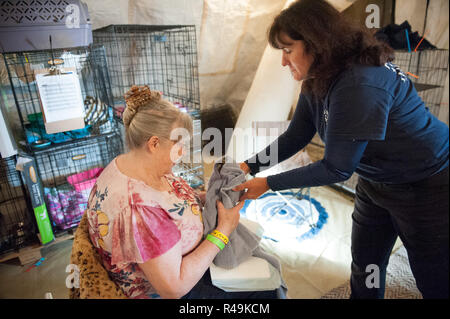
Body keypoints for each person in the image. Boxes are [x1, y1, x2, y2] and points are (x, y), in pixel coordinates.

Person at [234, 0, 449, 299]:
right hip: (377, 179)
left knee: (433, 272)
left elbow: (337, 167)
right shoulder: (318, 76)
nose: (283, 62)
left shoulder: (359, 83)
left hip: (427, 183)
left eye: (287, 50)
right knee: (366, 262)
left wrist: (268, 184)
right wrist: (248, 166)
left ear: (315, 44)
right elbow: (295, 136)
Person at [86, 85, 279, 299]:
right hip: (175, 286)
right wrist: (223, 231)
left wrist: (207, 196)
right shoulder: (139, 211)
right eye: (181, 145)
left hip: (185, 260)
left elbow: (167, 203)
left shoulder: (129, 164)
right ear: (154, 144)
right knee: (267, 291)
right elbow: (173, 288)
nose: (184, 152)